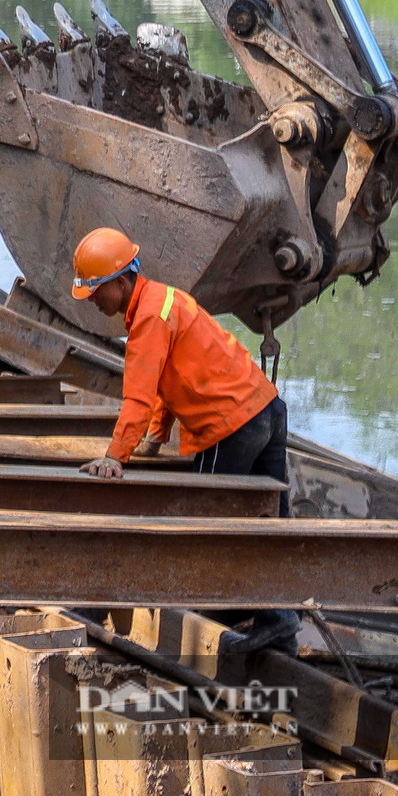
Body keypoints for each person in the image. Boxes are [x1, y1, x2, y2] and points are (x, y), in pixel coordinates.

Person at [71, 225, 298, 653]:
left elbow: (138, 395)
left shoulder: (148, 321)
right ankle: (279, 623)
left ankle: (210, 623)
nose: (94, 302)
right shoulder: (166, 299)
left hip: (230, 425)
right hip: (268, 409)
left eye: (97, 292)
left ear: (121, 282)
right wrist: (157, 437)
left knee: (204, 525)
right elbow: (172, 379)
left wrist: (115, 456)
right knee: (271, 526)